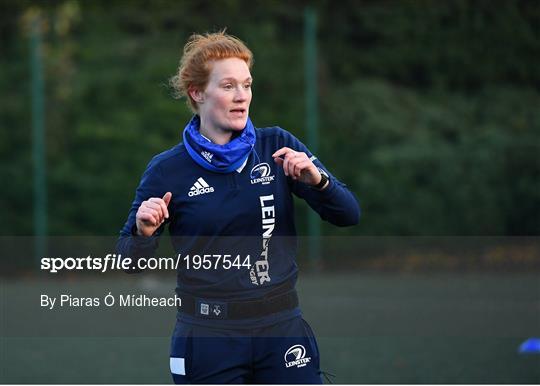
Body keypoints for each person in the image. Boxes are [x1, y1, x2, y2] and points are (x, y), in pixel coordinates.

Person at [117, 30, 360, 384]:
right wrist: (142, 232)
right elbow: (128, 262)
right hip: (207, 336)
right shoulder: (167, 169)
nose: (241, 96)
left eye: (246, 85)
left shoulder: (277, 145)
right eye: (228, 86)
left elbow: (349, 215)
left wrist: (318, 181)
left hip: (282, 330)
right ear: (197, 93)